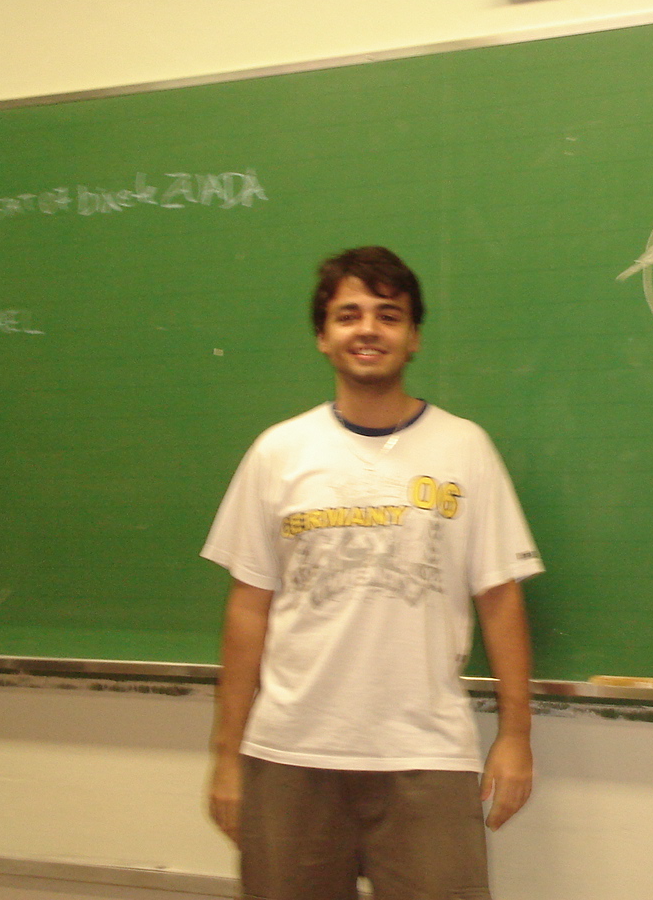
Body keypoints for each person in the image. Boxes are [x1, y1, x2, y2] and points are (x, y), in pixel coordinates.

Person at [202, 246, 542, 900]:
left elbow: (500, 599)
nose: (368, 330)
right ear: (323, 336)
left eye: (388, 315)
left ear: (413, 337)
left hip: (426, 754)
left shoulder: (465, 448)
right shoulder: (278, 452)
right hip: (289, 753)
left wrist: (517, 736)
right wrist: (226, 755)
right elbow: (248, 607)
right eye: (348, 315)